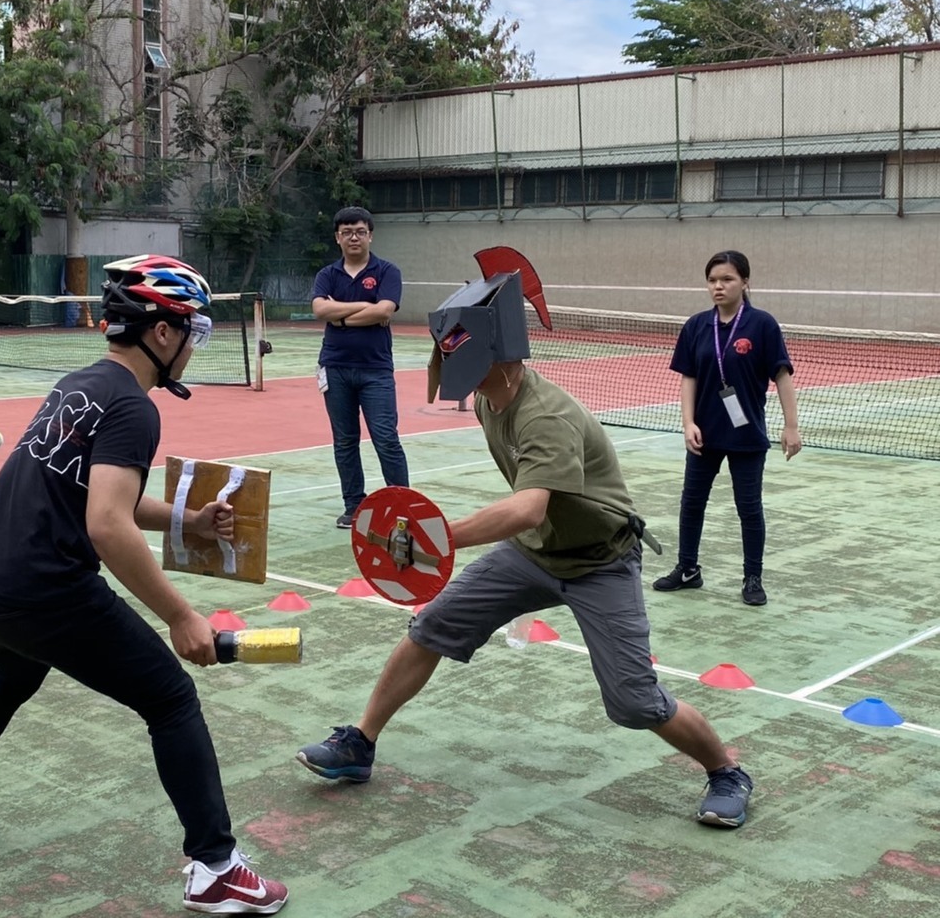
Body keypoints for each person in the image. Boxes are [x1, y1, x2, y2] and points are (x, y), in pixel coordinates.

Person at [0, 254, 288, 915]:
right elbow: (106, 525)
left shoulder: (80, 383)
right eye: (193, 330)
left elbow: (99, 494)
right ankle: (215, 867)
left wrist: (188, 518)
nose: (194, 345)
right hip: (41, 587)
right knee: (169, 697)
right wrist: (181, 614)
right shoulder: (135, 407)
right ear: (160, 333)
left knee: (14, 673)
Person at [296, 269, 756, 829]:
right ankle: (359, 744)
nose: (459, 378)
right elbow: (530, 519)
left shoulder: (545, 414)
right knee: (431, 626)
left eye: (470, 361)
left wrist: (438, 538)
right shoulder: (493, 397)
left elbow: (527, 507)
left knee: (635, 702)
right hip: (533, 554)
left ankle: (726, 771)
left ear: (506, 360)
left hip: (599, 562)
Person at [652, 250, 802, 607]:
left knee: (748, 508)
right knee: (691, 504)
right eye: (712, 280)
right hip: (704, 435)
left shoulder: (762, 325)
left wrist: (791, 427)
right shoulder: (695, 326)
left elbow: (782, 376)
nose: (718, 286)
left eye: (727, 279)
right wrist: (688, 423)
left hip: (746, 437)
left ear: (745, 282)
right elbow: (689, 377)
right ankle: (688, 569)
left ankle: (753, 577)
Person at [310, 207, 410, 528]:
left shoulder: (387, 271)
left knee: (385, 438)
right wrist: (361, 308)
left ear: (370, 235)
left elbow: (384, 311)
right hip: (335, 368)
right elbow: (319, 308)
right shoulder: (327, 274)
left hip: (375, 371)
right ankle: (354, 506)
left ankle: (402, 505)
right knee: (344, 441)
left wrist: (338, 317)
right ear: (338, 237)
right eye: (347, 232)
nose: (354, 237)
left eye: (360, 231)